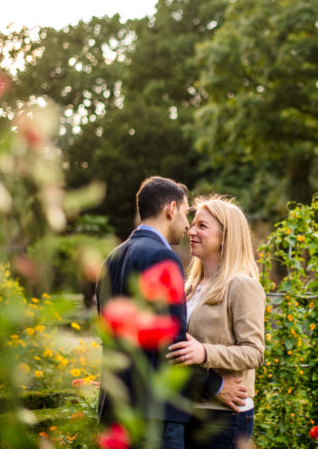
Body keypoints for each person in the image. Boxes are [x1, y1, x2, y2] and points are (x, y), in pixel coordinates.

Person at [96, 177, 248, 449]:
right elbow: (172, 345)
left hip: (114, 412)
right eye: (188, 213)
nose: (188, 225)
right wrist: (216, 386)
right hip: (155, 416)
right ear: (171, 209)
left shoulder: (112, 258)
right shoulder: (162, 258)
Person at [166, 195, 266, 449]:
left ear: (226, 236)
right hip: (188, 409)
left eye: (203, 226)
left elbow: (254, 352)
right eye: (193, 223)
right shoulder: (189, 288)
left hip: (225, 417)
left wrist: (205, 352)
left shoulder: (242, 285)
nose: (191, 230)